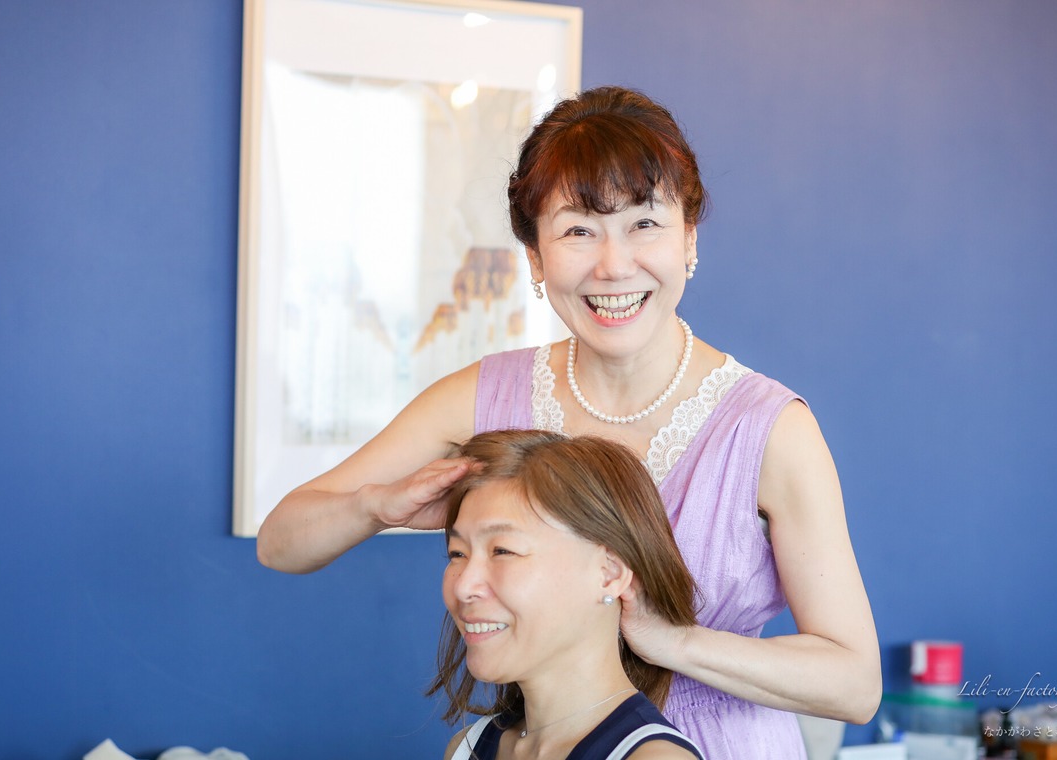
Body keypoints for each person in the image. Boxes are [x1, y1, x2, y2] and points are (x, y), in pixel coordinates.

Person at [257, 85, 881, 757]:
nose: (614, 266)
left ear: (689, 239)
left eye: (644, 224)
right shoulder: (481, 397)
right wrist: (376, 506)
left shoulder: (769, 429)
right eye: (579, 231)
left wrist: (673, 642)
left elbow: (854, 685)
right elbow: (281, 542)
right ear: (535, 256)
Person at [432, 429, 704, 760]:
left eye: (502, 550)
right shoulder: (466, 749)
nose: (463, 586)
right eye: (457, 553)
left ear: (609, 574)